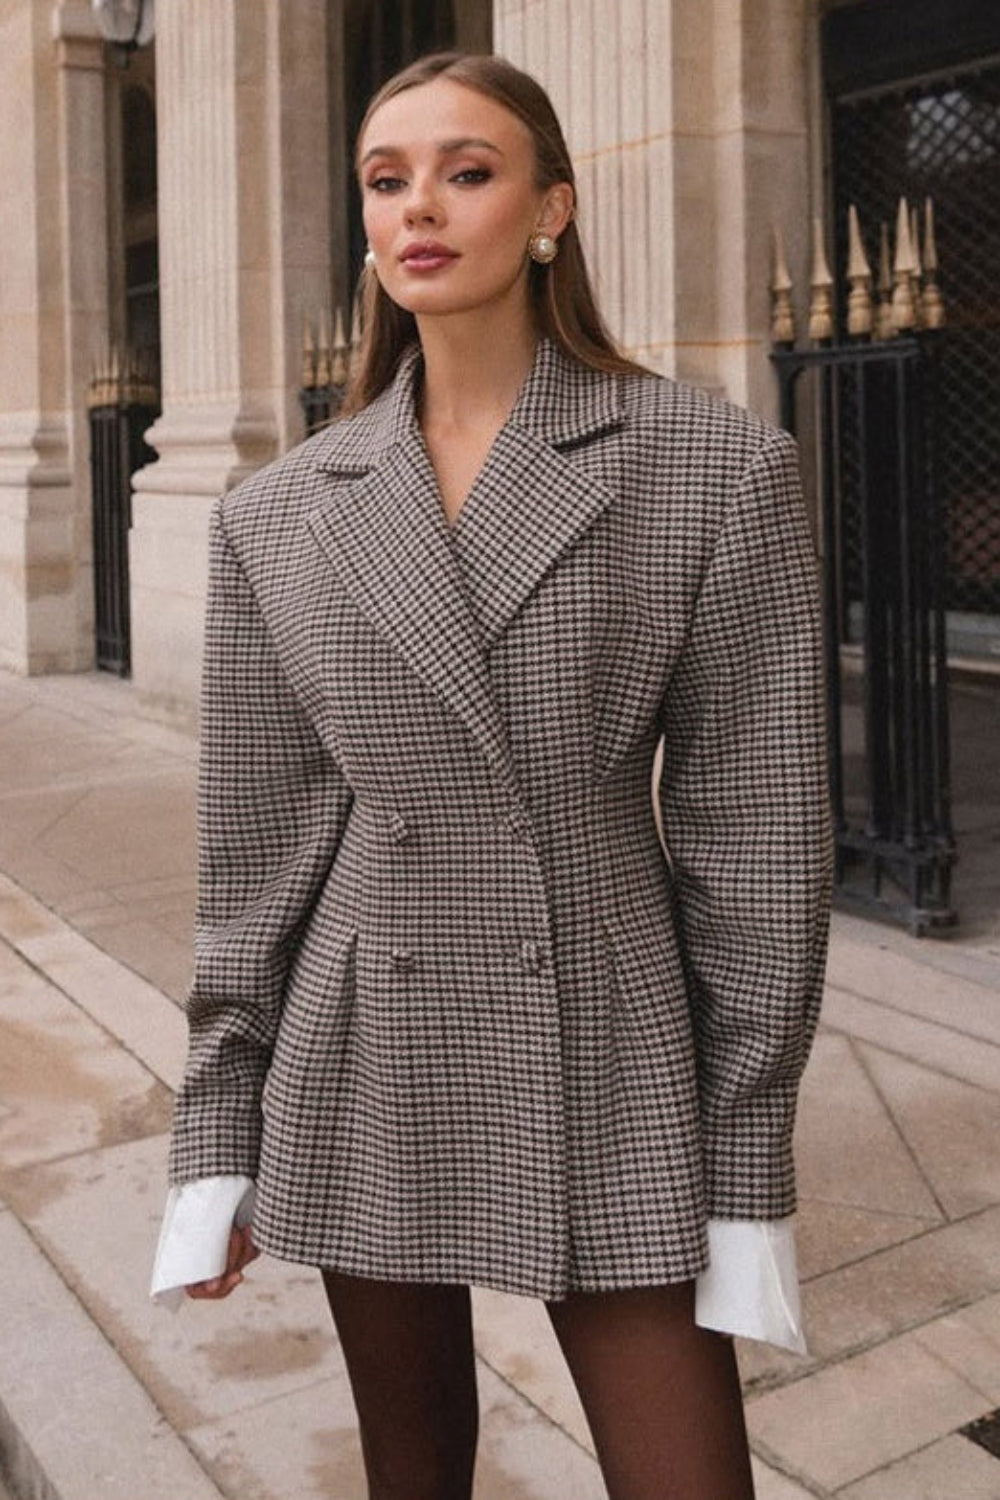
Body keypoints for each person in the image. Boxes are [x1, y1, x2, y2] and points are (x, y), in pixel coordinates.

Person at [152, 50, 832, 1500]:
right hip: (368, 1035)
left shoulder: (710, 466)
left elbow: (759, 843)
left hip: (606, 1017)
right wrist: (216, 1126)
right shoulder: (279, 511)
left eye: (467, 172)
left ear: (550, 209)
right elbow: (256, 852)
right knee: (413, 1473)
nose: (420, 207)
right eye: (386, 180)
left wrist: (747, 1153)